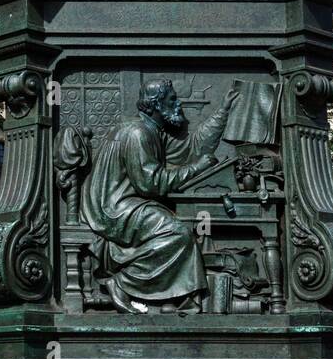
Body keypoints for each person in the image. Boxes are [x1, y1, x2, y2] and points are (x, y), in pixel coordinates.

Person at [82, 79, 237, 311]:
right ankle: (123, 284)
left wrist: (222, 111)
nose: (178, 104)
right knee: (178, 234)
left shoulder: (154, 131)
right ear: (156, 105)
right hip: (114, 209)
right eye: (172, 99)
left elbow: (191, 149)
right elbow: (151, 184)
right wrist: (197, 168)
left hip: (130, 204)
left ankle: (177, 298)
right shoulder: (138, 133)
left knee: (180, 229)